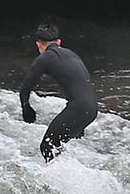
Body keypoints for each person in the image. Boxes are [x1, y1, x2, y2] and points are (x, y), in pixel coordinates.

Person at [18, 24, 99, 162]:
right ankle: (64, 170)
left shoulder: (45, 58)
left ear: (39, 44)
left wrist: (26, 108)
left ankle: (54, 174)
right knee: (56, 146)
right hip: (91, 109)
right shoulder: (72, 54)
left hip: (78, 109)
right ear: (59, 42)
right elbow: (81, 85)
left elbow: (25, 88)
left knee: (47, 146)